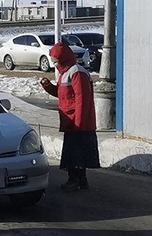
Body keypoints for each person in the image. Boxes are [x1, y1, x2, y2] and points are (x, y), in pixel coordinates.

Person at [39, 41, 100, 192]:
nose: (53, 62)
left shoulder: (76, 72)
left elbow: (82, 100)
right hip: (70, 120)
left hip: (78, 122)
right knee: (75, 153)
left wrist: (78, 122)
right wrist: (48, 86)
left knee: (76, 153)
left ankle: (75, 180)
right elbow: (63, 95)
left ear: (63, 58)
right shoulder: (65, 72)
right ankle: (80, 180)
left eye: (55, 59)